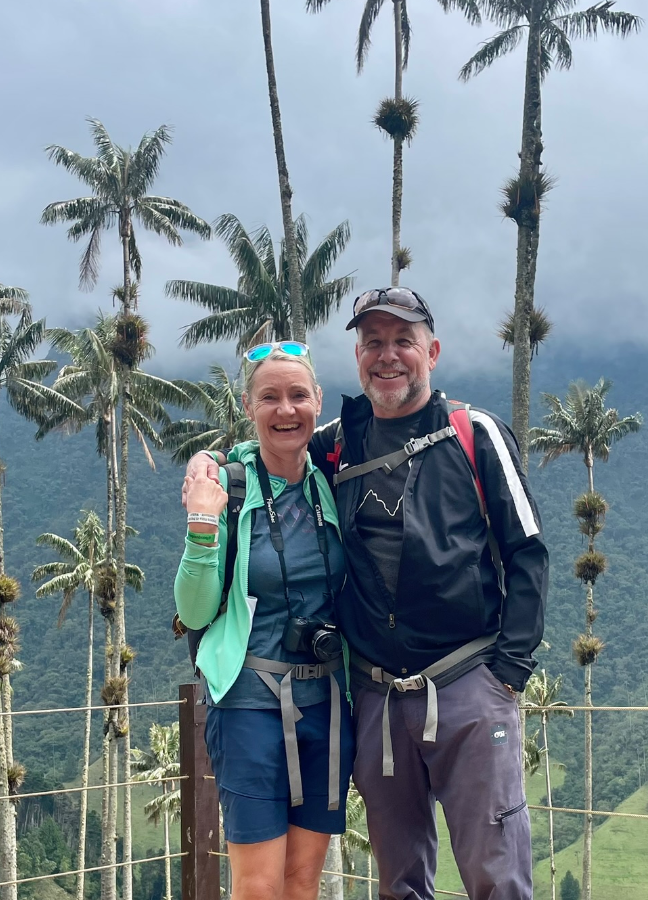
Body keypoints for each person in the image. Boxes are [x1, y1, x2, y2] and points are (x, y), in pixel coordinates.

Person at [188, 288, 548, 900]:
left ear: (432, 352)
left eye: (403, 341)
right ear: (357, 358)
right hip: (376, 696)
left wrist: (507, 673)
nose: (388, 355)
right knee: (399, 879)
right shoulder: (339, 442)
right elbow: (275, 445)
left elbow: (528, 552)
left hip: (467, 682)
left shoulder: (473, 433)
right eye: (373, 342)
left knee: (496, 876)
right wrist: (209, 462)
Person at [175, 342, 353, 900]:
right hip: (249, 705)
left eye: (298, 395)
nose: (286, 409)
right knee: (258, 886)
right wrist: (203, 526)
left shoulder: (332, 480)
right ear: (248, 407)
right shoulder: (229, 486)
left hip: (326, 704)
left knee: (302, 883)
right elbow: (193, 611)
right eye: (269, 397)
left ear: (318, 401)